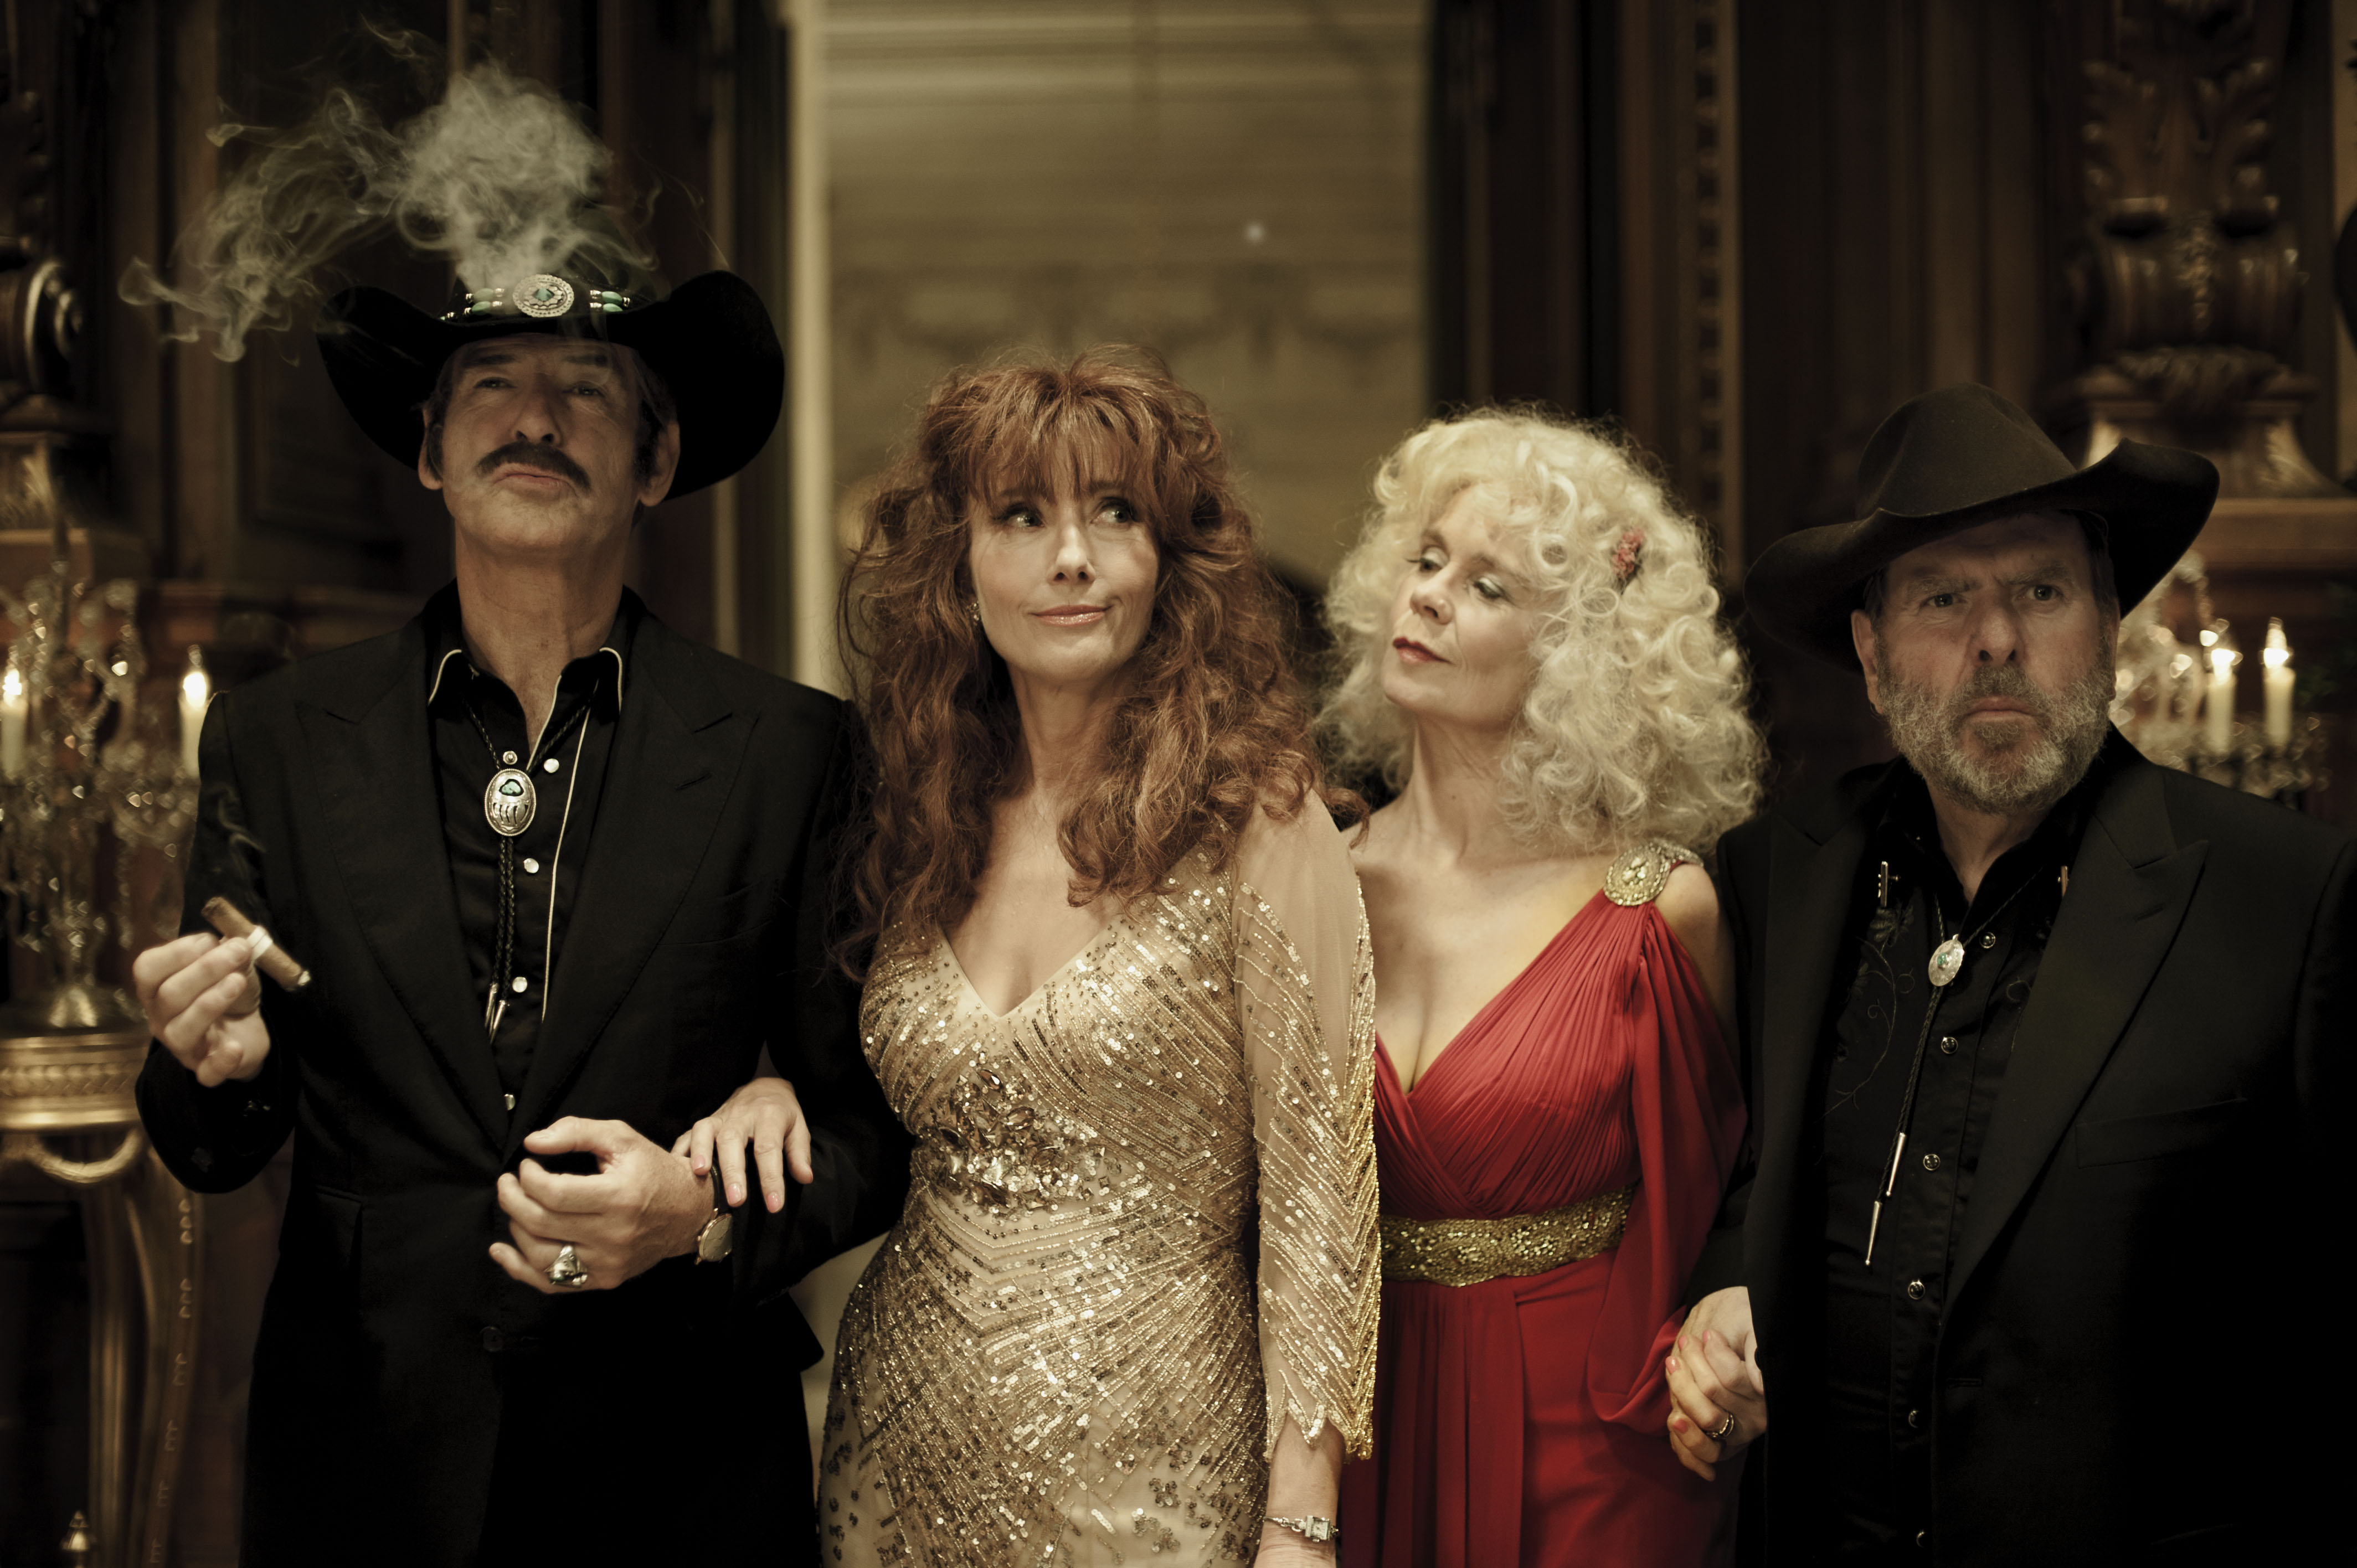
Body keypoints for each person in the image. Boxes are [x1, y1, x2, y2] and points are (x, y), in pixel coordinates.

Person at [130, 266, 909, 1565]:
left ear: (656, 462)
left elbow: (871, 1130)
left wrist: (702, 1216)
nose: (534, 418)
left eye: (585, 389)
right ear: (431, 451)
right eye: (491, 384)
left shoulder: (791, 751)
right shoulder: (275, 741)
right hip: (365, 1465)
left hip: (679, 1470)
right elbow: (209, 1141)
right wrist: (214, 1064)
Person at [689, 349, 1378, 1565]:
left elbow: (1321, 1197)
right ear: (959, 566)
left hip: (1162, 1473)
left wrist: (1303, 1518)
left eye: (1115, 514)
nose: (1071, 557)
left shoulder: (1257, 819)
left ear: (1169, 564)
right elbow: (841, 1083)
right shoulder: (912, 817)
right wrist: (769, 1081)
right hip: (894, 1456)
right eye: (1021, 515)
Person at [1671, 384, 2354, 1560]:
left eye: (2040, 591)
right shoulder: (1771, 875)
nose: (1995, 640)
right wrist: (1727, 1290)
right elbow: (1739, 1169)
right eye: (1942, 599)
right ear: (1872, 654)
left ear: (2110, 623)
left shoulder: (2285, 899)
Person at [1321, 410, 1762, 1566]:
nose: (1428, 597)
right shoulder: (1312, 882)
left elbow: (1712, 1218)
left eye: (1487, 586)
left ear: (1576, 657)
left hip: (1591, 1454)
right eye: (1425, 560)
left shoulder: (1653, 911)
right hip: (1347, 1427)